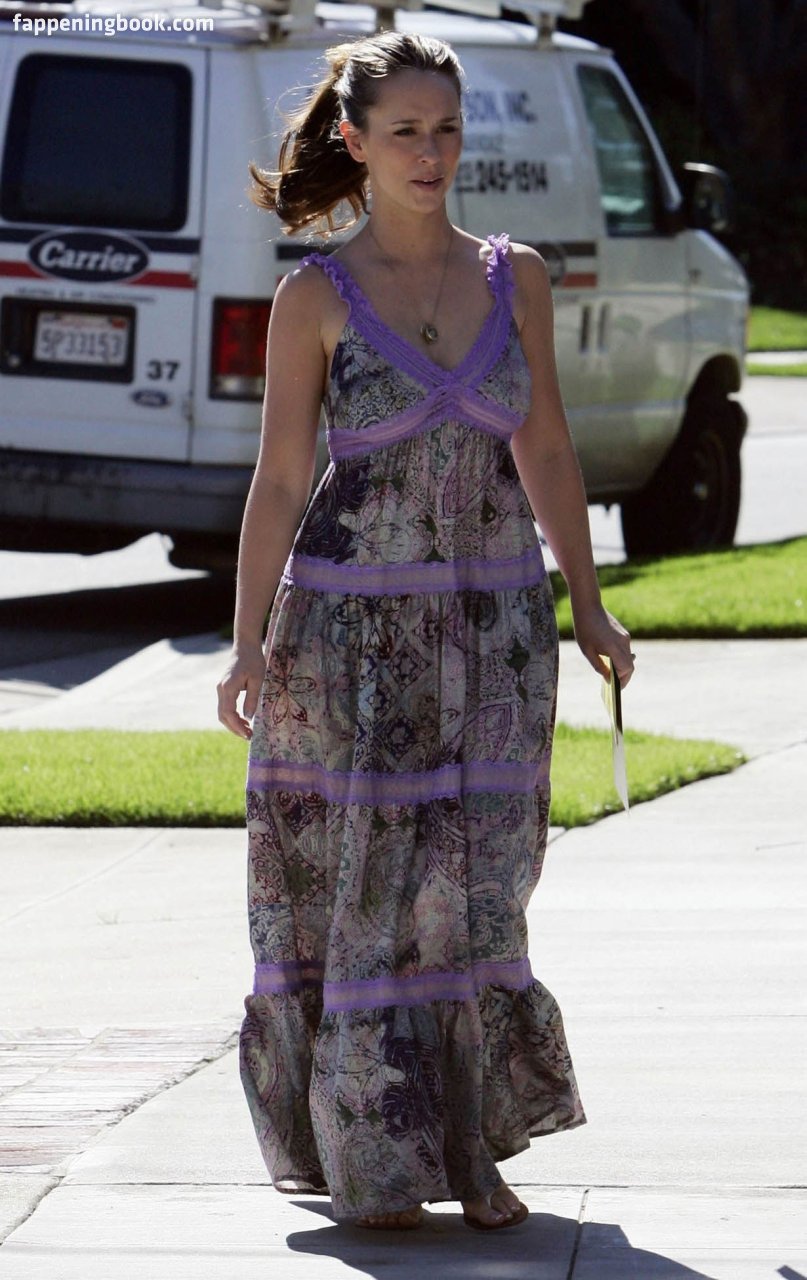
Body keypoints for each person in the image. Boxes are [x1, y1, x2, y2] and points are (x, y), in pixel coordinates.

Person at [217, 29, 634, 1232]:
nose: (431, 152)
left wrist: (589, 600)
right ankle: (374, 1156)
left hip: (498, 633)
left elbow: (545, 442)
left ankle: (471, 1144)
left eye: (446, 129)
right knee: (374, 893)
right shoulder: (315, 296)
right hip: (348, 648)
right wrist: (245, 643)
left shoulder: (518, 277)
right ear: (354, 141)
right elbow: (279, 481)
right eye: (404, 131)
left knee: (482, 888)